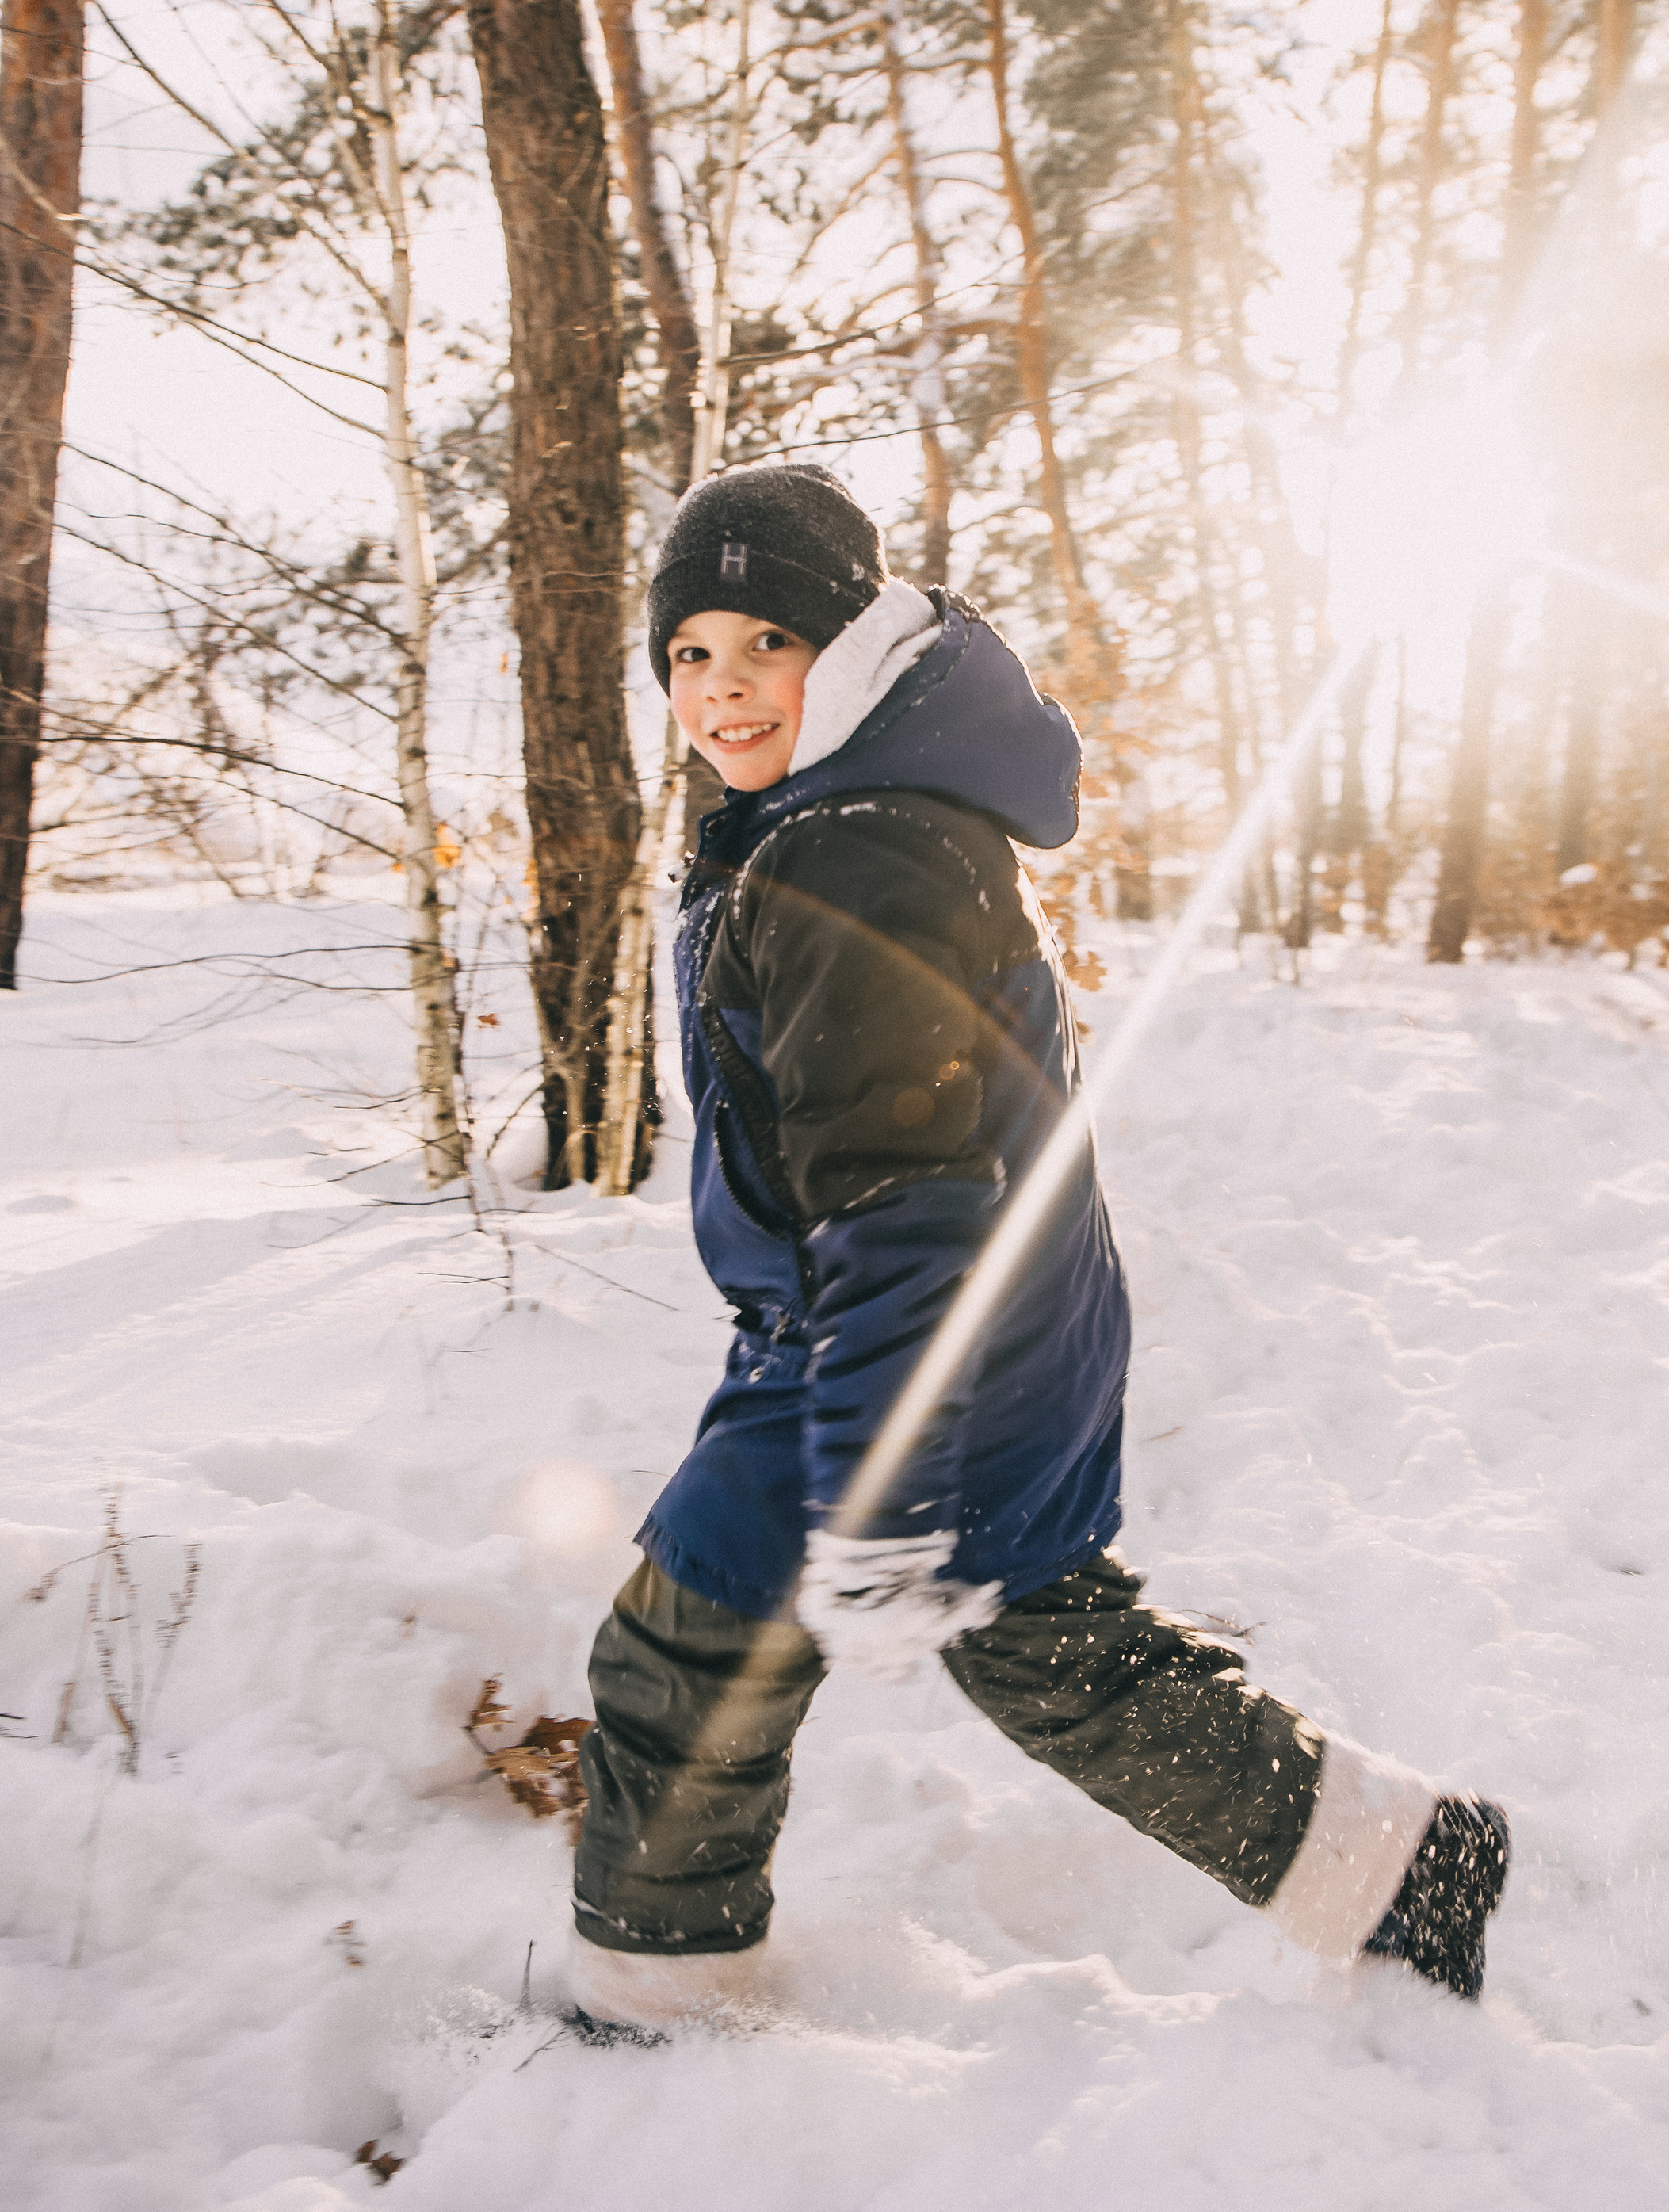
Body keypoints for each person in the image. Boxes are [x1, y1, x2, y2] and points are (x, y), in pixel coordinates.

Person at [570, 463, 1507, 2030]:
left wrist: (877, 1493)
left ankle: (654, 2013)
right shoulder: (827, 820)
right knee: (1031, 1653)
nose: (724, 690)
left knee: (693, 1656)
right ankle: (1398, 1867)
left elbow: (903, 1201)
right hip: (911, 1330)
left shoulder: (849, 852)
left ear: (849, 646)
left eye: (765, 645)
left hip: (906, 1343)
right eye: (690, 654)